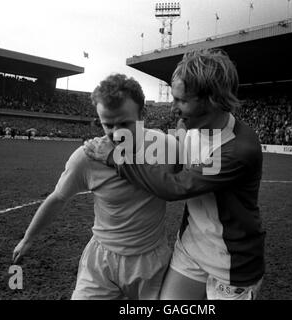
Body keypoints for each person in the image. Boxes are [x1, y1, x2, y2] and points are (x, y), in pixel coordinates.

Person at [84, 49, 265, 300]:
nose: (174, 107)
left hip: (232, 266)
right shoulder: (187, 127)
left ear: (211, 99)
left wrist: (116, 159)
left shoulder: (237, 150)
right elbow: (169, 162)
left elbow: (175, 187)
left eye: (181, 100)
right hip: (190, 252)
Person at [12, 74, 177, 300]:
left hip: (151, 262)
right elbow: (58, 198)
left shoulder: (167, 147)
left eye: (124, 123)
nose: (116, 132)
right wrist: (28, 237)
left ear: (143, 115)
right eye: (108, 124)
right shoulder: (87, 157)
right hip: (102, 261)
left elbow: (198, 179)